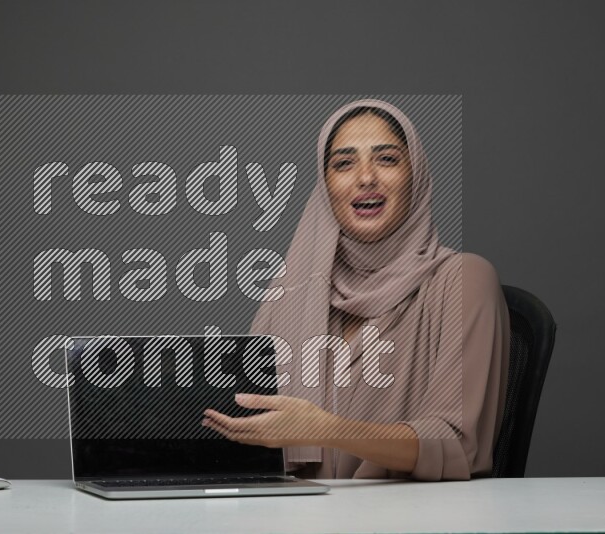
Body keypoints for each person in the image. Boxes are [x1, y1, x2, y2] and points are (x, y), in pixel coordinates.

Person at [201, 99, 510, 481]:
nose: (365, 177)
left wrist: (329, 430)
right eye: (344, 164)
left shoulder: (462, 280)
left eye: (387, 159)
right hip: (295, 519)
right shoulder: (293, 294)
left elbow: (456, 443)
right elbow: (244, 425)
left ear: (416, 175)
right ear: (325, 186)